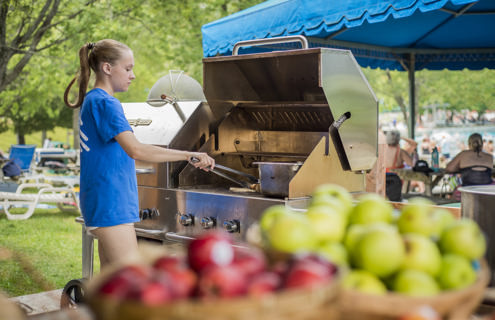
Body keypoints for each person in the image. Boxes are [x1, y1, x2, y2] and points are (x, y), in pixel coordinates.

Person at [63, 39, 215, 269]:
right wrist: (187, 155)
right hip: (111, 204)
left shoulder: (93, 100)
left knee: (112, 280)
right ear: (107, 68)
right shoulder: (106, 103)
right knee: (134, 276)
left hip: (103, 201)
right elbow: (137, 149)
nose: (132, 75)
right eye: (127, 68)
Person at [384, 130, 418, 201]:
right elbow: (411, 163)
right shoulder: (400, 151)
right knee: (395, 201)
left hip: (383, 178)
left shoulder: (383, 149)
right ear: (398, 140)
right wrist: (402, 137)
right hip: (395, 179)